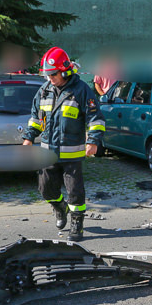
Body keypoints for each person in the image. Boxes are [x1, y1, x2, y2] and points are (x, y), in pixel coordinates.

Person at [21, 47, 106, 241]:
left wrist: (93, 141)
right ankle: (60, 207)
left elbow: (96, 118)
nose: (50, 78)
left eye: (53, 74)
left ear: (65, 71)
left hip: (72, 154)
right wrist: (28, 138)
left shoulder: (81, 90)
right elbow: (35, 118)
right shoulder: (44, 91)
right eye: (47, 74)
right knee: (45, 189)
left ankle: (77, 224)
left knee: (75, 192)